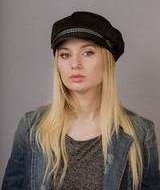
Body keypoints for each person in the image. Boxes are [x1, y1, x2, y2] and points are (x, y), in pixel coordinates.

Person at [2, 11, 160, 190]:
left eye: (87, 52)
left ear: (108, 61)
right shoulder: (31, 128)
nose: (75, 64)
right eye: (65, 55)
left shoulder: (141, 133)